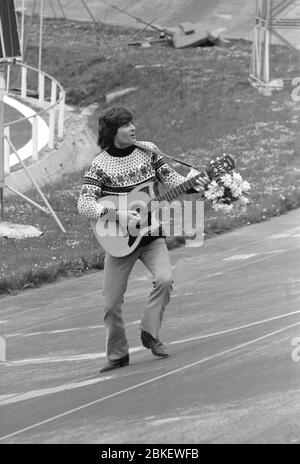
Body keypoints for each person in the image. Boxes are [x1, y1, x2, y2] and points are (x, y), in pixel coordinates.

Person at [78, 106, 209, 373]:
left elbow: (170, 178)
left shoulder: (148, 150)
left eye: (132, 122)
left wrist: (194, 184)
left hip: (151, 236)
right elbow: (84, 203)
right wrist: (116, 213)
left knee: (164, 279)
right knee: (111, 303)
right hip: (119, 241)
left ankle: (150, 333)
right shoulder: (100, 165)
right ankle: (117, 355)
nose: (132, 127)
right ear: (113, 132)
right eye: (126, 125)